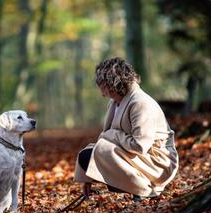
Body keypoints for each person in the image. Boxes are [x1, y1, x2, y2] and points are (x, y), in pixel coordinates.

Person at [74, 57, 179, 201]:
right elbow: (106, 138)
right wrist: (88, 178)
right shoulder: (115, 102)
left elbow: (140, 145)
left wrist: (113, 134)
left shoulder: (140, 103)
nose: (101, 91)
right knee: (87, 154)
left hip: (157, 162)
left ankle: (144, 189)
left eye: (101, 85)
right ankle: (135, 186)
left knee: (103, 150)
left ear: (111, 84)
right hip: (135, 156)